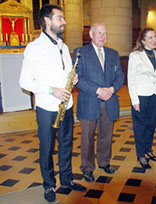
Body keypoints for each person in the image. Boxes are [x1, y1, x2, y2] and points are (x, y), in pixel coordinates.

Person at [19, 4, 86, 203]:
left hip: (66, 104)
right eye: (60, 18)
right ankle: (49, 184)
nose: (64, 21)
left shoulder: (63, 46)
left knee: (66, 144)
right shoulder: (34, 48)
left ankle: (66, 180)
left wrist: (72, 79)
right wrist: (52, 90)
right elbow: (24, 82)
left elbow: (64, 71)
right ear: (47, 20)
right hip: (47, 107)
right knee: (47, 147)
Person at [73, 23, 124, 182]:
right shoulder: (80, 52)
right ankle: (87, 168)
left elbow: (120, 75)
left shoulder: (113, 53)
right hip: (89, 101)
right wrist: (98, 90)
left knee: (106, 135)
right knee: (87, 137)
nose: (103, 36)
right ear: (91, 34)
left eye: (105, 33)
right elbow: (77, 78)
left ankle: (104, 162)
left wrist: (111, 89)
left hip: (109, 100)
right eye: (99, 33)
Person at [128, 28, 156, 169]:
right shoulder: (135, 55)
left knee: (151, 124)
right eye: (150, 38)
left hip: (154, 94)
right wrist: (134, 100)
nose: (154, 40)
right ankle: (141, 155)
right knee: (140, 126)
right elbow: (131, 79)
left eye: (154, 36)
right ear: (143, 41)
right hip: (141, 95)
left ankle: (148, 149)